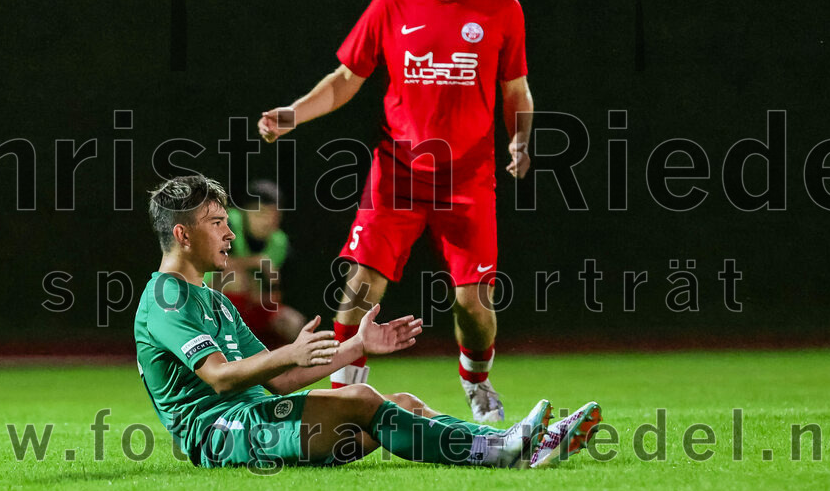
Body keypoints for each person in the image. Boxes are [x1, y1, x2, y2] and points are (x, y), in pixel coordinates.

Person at [258, 0, 534, 422]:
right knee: (362, 285)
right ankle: (344, 394)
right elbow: (346, 79)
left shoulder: (502, 9)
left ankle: (476, 380)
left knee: (475, 304)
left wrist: (520, 138)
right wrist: (294, 114)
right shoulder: (391, 5)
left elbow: (516, 89)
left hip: (468, 179)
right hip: (399, 173)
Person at [135, 174, 601, 469]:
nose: (229, 232)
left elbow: (280, 382)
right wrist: (291, 352)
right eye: (216, 223)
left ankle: (523, 443)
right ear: (182, 234)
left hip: (257, 418)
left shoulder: (214, 301)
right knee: (361, 398)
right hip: (220, 434)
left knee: (403, 404)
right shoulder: (166, 297)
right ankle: (503, 449)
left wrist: (354, 347)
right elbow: (218, 377)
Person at [205, 179, 306, 348]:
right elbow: (211, 265)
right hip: (209, 305)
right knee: (234, 279)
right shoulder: (226, 222)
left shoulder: (279, 242)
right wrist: (256, 262)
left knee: (294, 322)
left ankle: (272, 356)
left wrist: (261, 291)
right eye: (262, 214)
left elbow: (275, 295)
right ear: (245, 212)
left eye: (275, 216)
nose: (268, 222)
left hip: (253, 308)